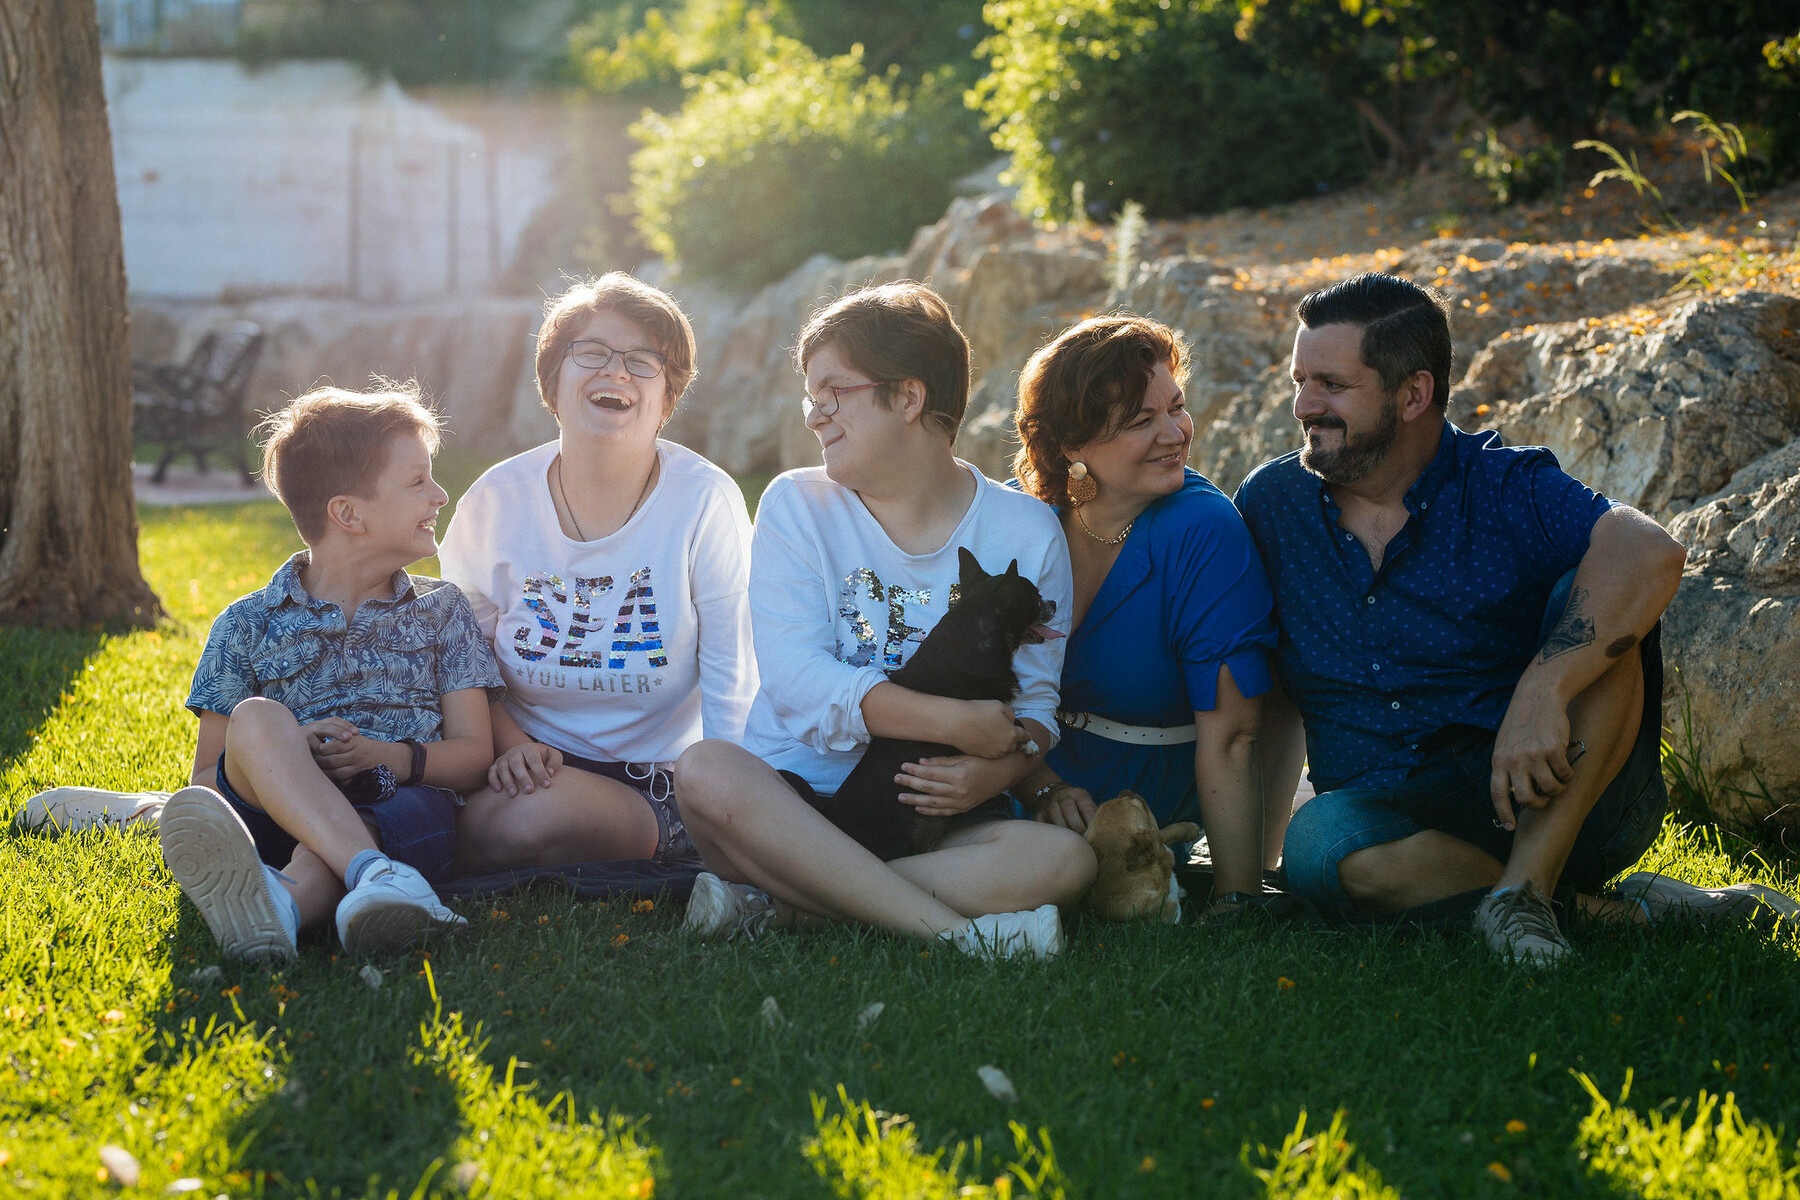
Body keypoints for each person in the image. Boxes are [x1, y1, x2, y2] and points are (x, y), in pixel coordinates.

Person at [1234, 271, 1791, 965]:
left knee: (1589, 598)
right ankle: (1612, 913)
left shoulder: (1504, 483)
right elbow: (1269, 687)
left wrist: (1543, 691)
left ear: (1414, 393)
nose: (1304, 406)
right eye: (1299, 382)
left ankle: (1530, 881)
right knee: (1320, 846)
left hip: (1545, 791)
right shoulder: (1273, 503)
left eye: (1332, 385)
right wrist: (1247, 868)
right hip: (1386, 820)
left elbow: (1649, 550)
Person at [673, 282, 1095, 959]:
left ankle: (788, 906)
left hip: (933, 814)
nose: (815, 417)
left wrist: (1003, 768)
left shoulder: (1024, 530)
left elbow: (1038, 696)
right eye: (812, 397)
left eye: (833, 392)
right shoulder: (796, 505)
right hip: (791, 803)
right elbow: (797, 680)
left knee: (1064, 863)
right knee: (704, 771)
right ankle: (960, 935)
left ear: (908, 396)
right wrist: (951, 723)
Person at [163, 384, 505, 962]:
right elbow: (206, 782)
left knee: (376, 818)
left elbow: (474, 756)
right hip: (274, 814)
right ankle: (377, 880)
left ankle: (283, 906)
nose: (440, 494)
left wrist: (390, 757)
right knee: (256, 718)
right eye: (417, 481)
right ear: (348, 513)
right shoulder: (246, 624)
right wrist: (289, 756)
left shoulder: (443, 611)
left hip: (401, 807)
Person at [438, 273, 755, 874]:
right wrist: (515, 749)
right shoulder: (494, 502)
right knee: (443, 812)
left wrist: (732, 818)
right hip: (518, 764)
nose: (617, 372)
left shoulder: (704, 500)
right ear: (552, 382)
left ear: (668, 398)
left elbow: (732, 679)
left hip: (656, 788)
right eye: (592, 353)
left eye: (643, 361)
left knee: (511, 825)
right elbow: (463, 663)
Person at [1008, 315, 1283, 912]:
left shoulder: (1203, 530)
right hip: (1023, 779)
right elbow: (982, 689)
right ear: (1071, 447)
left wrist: (1237, 898)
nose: (1175, 433)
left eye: (1176, 407)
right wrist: (1041, 787)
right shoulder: (1028, 524)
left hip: (1150, 799)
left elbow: (1234, 734)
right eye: (1141, 421)